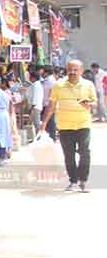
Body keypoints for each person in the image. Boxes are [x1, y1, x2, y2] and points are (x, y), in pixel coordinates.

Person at [40, 59, 96, 192]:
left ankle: (83, 180)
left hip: (83, 124)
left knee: (85, 152)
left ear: (81, 71)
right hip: (64, 126)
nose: (72, 72)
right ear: (66, 70)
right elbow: (51, 106)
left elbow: (95, 102)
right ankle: (73, 180)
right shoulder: (58, 85)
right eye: (70, 69)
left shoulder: (88, 85)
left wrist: (89, 104)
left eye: (76, 70)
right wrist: (44, 123)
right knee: (68, 154)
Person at [42, 65, 58, 139]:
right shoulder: (47, 80)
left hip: (49, 105)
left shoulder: (51, 81)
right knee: (48, 122)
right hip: (46, 104)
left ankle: (52, 137)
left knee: (50, 122)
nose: (42, 73)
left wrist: (50, 105)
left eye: (43, 71)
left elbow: (52, 94)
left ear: (46, 72)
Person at [27, 71, 45, 137]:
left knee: (36, 123)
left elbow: (35, 98)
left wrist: (31, 108)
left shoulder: (36, 86)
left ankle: (39, 137)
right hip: (35, 107)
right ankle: (36, 136)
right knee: (34, 123)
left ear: (33, 77)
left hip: (35, 107)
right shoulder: (36, 85)